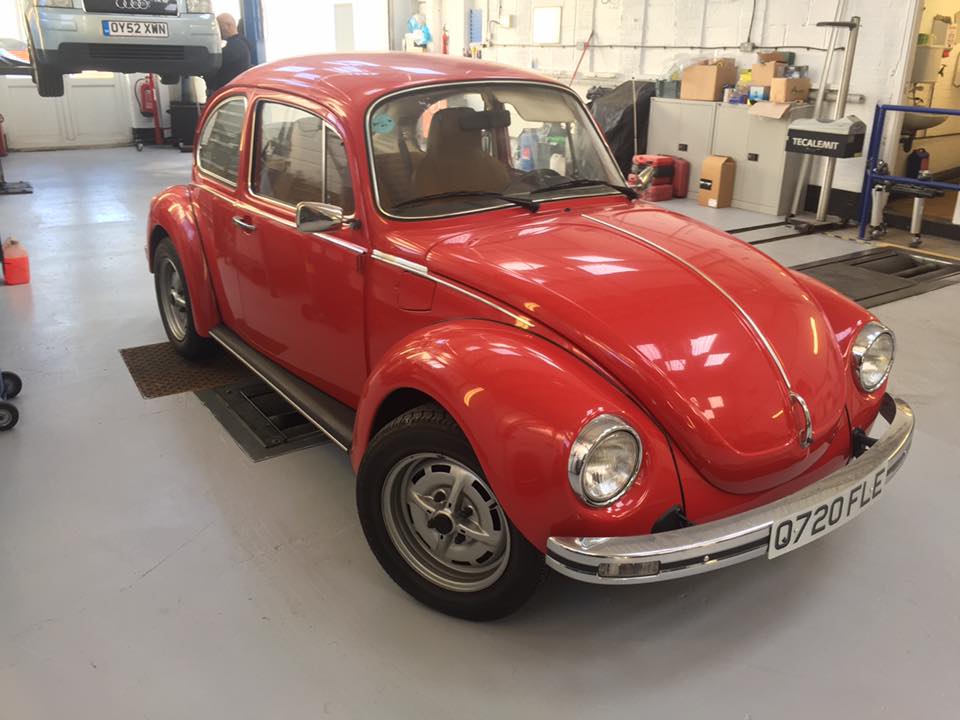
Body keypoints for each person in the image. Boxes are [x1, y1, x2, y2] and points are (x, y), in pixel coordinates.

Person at [204, 13, 251, 96]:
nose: (217, 30)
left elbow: (213, 65)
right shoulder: (240, 44)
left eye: (218, 26)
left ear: (228, 26)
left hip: (226, 94)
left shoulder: (234, 47)